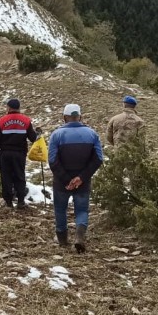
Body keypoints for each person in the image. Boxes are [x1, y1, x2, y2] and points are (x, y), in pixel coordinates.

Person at [47, 104, 103, 252]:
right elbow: (98, 159)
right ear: (80, 116)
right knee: (82, 209)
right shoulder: (92, 134)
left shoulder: (56, 135)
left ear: (64, 117)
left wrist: (66, 179)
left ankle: (63, 240)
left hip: (61, 181)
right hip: (83, 181)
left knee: (60, 209)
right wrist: (81, 177)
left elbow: (52, 160)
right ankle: (79, 236)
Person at [0, 97, 40, 209]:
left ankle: (8, 202)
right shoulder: (26, 120)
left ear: (8, 107)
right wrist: (38, 133)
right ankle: (21, 201)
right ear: (19, 108)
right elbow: (33, 138)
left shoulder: (1, 120)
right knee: (19, 176)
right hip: (19, 153)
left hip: (5, 153)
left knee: (6, 177)